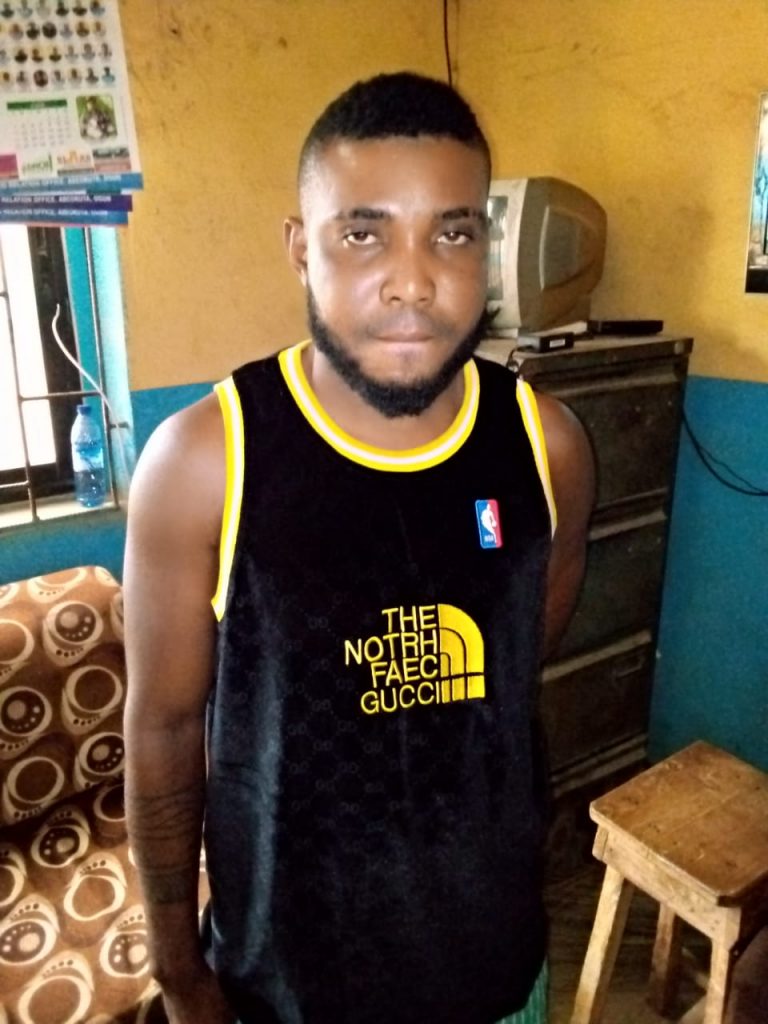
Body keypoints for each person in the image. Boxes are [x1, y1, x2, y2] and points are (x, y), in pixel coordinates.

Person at [123, 71, 594, 1024]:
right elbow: (163, 732)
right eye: (364, 233)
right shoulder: (207, 461)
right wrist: (178, 973)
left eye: (452, 233)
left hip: (495, 972)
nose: (413, 280)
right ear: (302, 248)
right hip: (284, 988)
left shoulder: (548, 448)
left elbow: (511, 676)